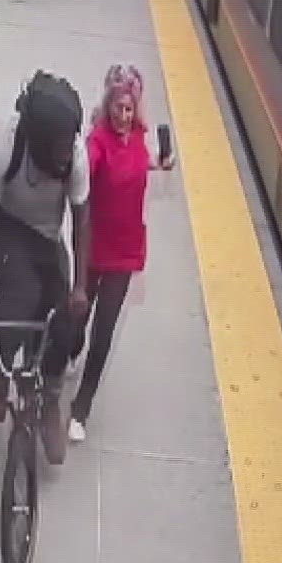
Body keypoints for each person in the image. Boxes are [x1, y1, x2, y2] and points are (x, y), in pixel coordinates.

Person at [0, 71, 92, 465]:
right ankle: (1, 368)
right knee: (21, 299)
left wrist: (79, 286)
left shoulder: (75, 155)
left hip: (49, 236)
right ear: (39, 140)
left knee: (65, 317)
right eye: (60, 145)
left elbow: (82, 219)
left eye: (71, 142)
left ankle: (50, 399)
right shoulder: (6, 143)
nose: (68, 151)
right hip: (12, 227)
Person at [67, 64, 168, 442]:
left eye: (129, 108)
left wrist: (159, 162)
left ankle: (82, 408)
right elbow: (84, 174)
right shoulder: (97, 143)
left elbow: (138, 162)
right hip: (94, 248)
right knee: (79, 315)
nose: (123, 116)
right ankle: (71, 348)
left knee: (104, 331)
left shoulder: (140, 136)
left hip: (126, 251)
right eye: (118, 108)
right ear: (108, 105)